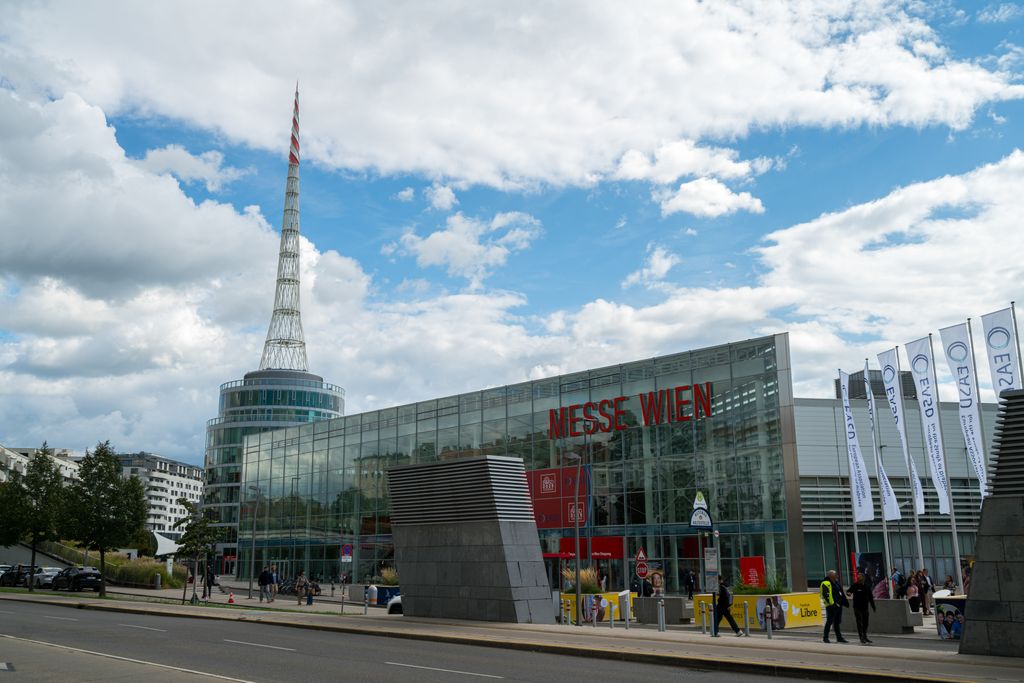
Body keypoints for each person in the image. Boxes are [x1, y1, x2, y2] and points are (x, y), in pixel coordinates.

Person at [847, 573, 876, 644]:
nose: (859, 578)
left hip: (865, 607)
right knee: (859, 622)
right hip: (857, 607)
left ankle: (865, 636)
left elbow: (870, 597)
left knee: (866, 623)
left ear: (864, 578)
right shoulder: (855, 585)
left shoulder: (867, 586)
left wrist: (873, 606)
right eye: (858, 577)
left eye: (860, 577)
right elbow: (848, 591)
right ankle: (861, 637)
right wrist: (849, 593)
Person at [820, 570, 849, 643]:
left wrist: (844, 602)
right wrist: (833, 604)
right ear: (831, 576)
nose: (837, 576)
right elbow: (826, 595)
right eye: (835, 575)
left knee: (837, 623)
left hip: (838, 606)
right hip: (831, 606)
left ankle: (839, 638)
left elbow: (841, 592)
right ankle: (825, 637)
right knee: (829, 622)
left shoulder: (836, 583)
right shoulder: (826, 583)